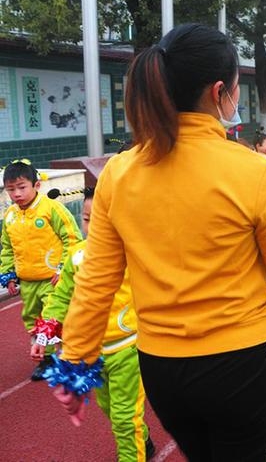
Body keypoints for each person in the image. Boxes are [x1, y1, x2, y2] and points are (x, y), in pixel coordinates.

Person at [50, 24, 266, 461]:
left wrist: (75, 362)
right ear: (219, 92)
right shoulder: (253, 171)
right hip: (242, 363)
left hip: (162, 369)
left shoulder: (118, 173)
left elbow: (95, 280)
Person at [33, 187, 156, 461]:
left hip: (129, 350)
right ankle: (143, 439)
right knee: (110, 409)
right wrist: (44, 335)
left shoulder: (134, 252)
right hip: (93, 354)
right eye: (88, 219)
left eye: (102, 219)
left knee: (124, 418)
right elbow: (61, 297)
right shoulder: (77, 256)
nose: (93, 226)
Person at [0, 160, 83, 380]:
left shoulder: (52, 208)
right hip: (27, 282)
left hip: (52, 280)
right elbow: (7, 248)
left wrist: (63, 269)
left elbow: (72, 238)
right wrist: (8, 275)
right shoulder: (10, 216)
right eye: (11, 189)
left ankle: (59, 358)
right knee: (32, 319)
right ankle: (45, 358)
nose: (17, 194)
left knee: (51, 317)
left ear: (36, 185)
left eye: (22, 187)